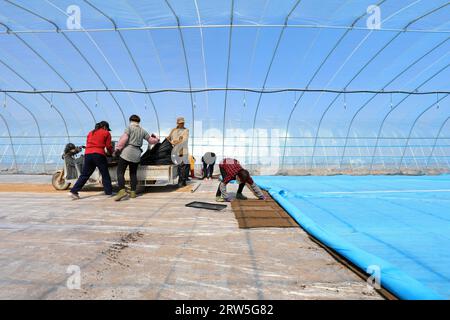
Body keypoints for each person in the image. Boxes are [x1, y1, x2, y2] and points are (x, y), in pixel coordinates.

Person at [114, 115, 159, 201]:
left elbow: (124, 139)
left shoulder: (129, 128)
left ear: (130, 120)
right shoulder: (143, 131)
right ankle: (133, 192)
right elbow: (150, 140)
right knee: (133, 173)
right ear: (139, 121)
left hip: (127, 152)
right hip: (137, 153)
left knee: (120, 172)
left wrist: (118, 149)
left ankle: (122, 191)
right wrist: (156, 139)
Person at [69, 121, 113, 200]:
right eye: (107, 128)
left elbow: (89, 144)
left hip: (88, 154)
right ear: (105, 127)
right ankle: (108, 192)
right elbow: (109, 146)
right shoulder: (106, 133)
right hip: (99, 154)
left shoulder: (90, 133)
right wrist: (111, 153)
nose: (107, 130)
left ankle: (74, 191)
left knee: (85, 174)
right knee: (105, 173)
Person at [167, 117, 190, 187]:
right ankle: (183, 181)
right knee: (180, 166)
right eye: (180, 123)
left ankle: (181, 181)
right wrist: (173, 140)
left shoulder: (186, 130)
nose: (182, 124)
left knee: (183, 166)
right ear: (177, 123)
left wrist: (175, 141)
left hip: (183, 151)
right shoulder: (173, 130)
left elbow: (184, 140)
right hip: (176, 151)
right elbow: (169, 138)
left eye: (183, 123)